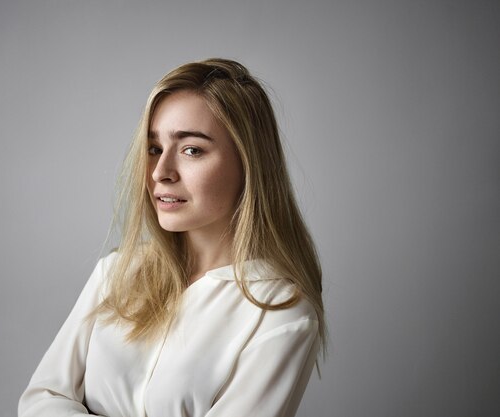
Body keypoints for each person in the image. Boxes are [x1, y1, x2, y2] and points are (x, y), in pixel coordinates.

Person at [18, 58, 325, 417]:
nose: (161, 172)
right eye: (153, 149)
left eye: (191, 149)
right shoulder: (117, 273)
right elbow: (40, 400)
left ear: (249, 163)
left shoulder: (281, 313)